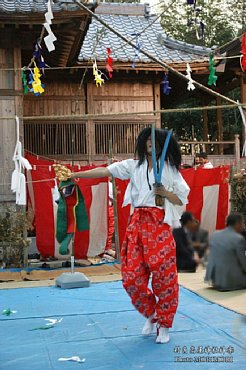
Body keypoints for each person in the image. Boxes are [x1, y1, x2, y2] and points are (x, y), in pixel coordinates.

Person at [70, 127, 190, 344]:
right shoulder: (133, 166)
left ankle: (164, 324)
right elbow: (106, 171)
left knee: (164, 277)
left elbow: (181, 200)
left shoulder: (171, 171)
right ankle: (151, 314)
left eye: (157, 141)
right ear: (144, 143)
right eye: (149, 140)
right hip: (137, 223)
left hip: (159, 225)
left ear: (163, 146)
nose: (152, 143)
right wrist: (74, 174)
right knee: (131, 277)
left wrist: (166, 193)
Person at [205, 213, 246, 291]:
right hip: (228, 281)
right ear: (237, 224)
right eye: (242, 223)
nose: (243, 226)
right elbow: (243, 263)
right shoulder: (238, 238)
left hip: (213, 280)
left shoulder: (214, 234)